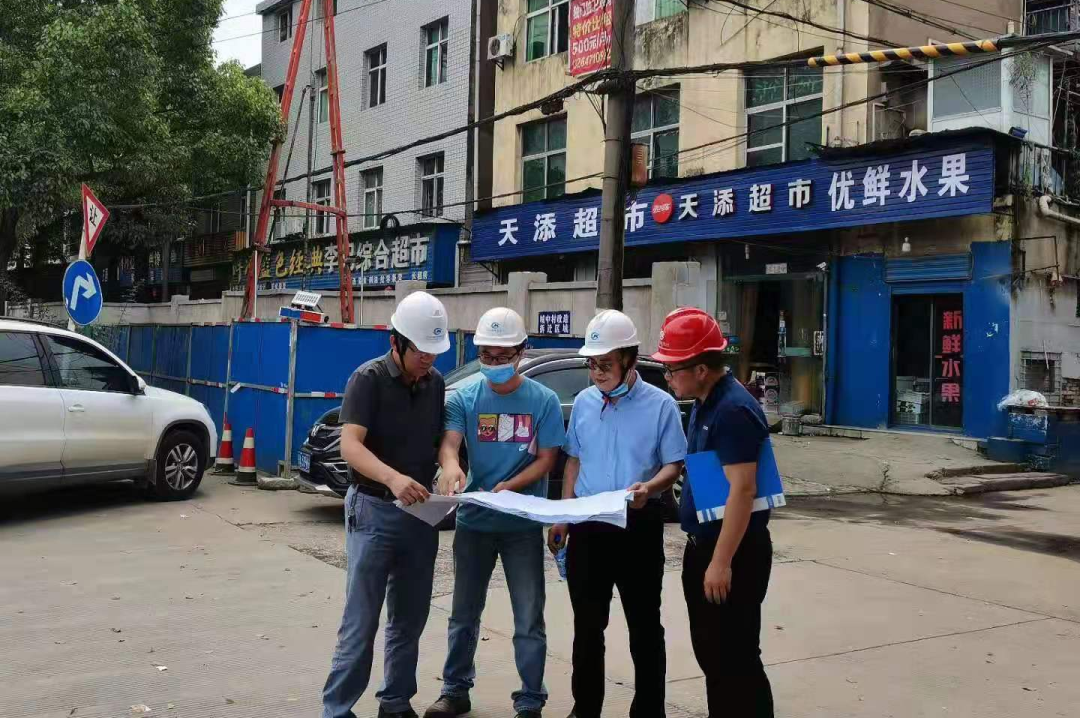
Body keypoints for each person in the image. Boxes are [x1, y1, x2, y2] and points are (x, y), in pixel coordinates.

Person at [425, 307, 565, 718]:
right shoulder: (466, 398)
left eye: (503, 356)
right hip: (475, 523)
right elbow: (450, 443)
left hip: (521, 525)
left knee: (528, 616)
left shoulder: (543, 400)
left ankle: (530, 699)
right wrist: (451, 465)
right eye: (487, 355)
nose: (494, 363)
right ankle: (455, 690)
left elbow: (547, 459)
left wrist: (512, 485)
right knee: (464, 613)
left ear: (521, 352)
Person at [548, 310, 686, 718]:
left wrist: (650, 488)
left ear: (629, 358)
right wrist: (564, 516)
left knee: (644, 626)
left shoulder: (660, 405)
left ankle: (649, 710)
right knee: (587, 626)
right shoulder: (585, 403)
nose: (597, 373)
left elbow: (673, 464)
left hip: (637, 524)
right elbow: (574, 461)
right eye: (591, 364)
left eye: (605, 364)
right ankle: (585, 708)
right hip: (589, 524)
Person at [322, 291, 451, 718]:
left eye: (434, 351)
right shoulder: (368, 379)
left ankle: (395, 702)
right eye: (421, 351)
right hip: (373, 509)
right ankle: (337, 709)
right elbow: (350, 447)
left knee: (410, 618)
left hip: (420, 513)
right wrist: (393, 479)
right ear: (396, 342)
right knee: (362, 619)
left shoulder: (435, 383)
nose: (428, 359)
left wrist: (449, 467)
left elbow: (439, 441)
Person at [651, 307, 775, 718]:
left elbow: (744, 490)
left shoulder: (733, 410)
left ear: (701, 369)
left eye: (672, 370)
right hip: (704, 544)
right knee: (713, 654)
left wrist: (720, 563)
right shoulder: (705, 403)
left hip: (734, 552)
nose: (667, 378)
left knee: (736, 657)